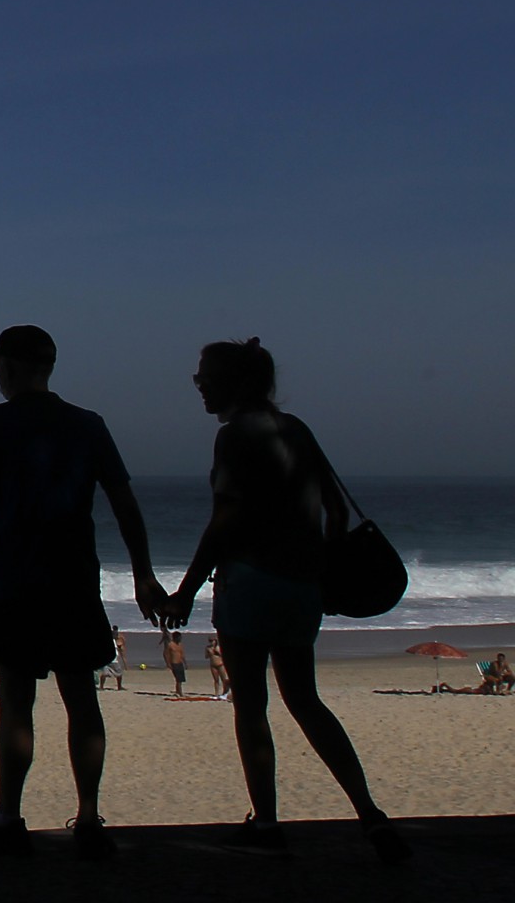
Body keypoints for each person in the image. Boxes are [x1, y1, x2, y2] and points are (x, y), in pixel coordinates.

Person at [163, 338, 408, 861]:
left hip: (250, 584)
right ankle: (370, 814)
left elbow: (224, 522)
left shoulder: (234, 438)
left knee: (252, 708)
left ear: (233, 382)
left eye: (204, 375)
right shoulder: (296, 429)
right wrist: (317, 566)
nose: (198, 384)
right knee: (307, 701)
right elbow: (337, 514)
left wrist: (185, 589)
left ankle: (268, 823)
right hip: (302, 590)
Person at [0, 325, 167, 860]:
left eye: (0, 365)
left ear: (12, 367)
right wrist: (143, 572)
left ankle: (8, 817)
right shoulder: (87, 425)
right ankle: (90, 817)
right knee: (82, 700)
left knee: (17, 702)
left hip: (15, 582)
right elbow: (124, 504)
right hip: (74, 580)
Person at [99, 627, 127, 691]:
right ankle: (119, 687)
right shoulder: (113, 641)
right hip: (113, 661)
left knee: (105, 674)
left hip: (108, 660)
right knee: (119, 673)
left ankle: (101, 687)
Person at [161, 629, 187, 695]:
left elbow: (182, 654)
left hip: (180, 663)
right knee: (178, 679)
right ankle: (180, 693)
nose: (180, 639)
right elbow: (165, 654)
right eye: (179, 638)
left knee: (181, 679)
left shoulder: (180, 644)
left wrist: (185, 662)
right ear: (175, 638)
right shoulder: (170, 645)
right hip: (174, 663)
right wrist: (168, 664)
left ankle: (178, 691)